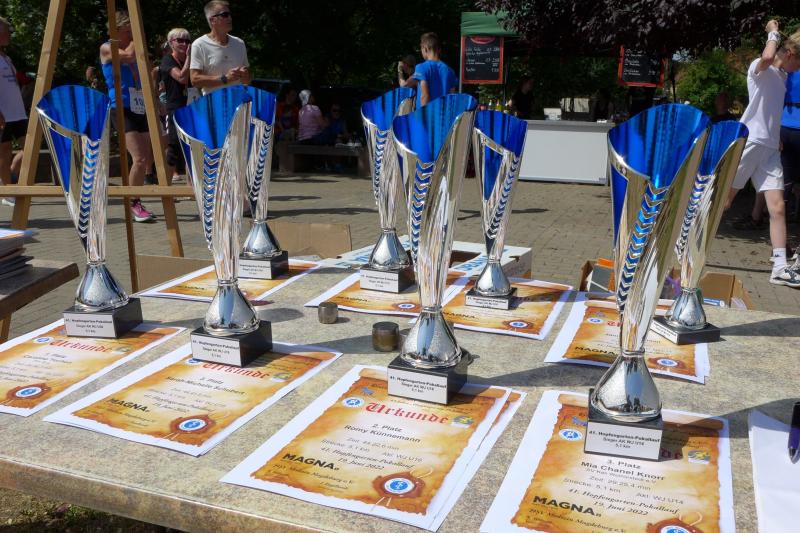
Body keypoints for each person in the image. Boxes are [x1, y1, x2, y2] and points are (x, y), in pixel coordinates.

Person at [725, 20, 800, 288]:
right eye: (799, 62)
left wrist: (776, 135)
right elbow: (768, 56)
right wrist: (773, 32)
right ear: (790, 54)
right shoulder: (760, 67)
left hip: (769, 148)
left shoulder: (782, 78)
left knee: (777, 207)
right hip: (750, 143)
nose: (799, 69)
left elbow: (771, 111)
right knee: (724, 202)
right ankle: (684, 239)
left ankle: (779, 268)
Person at [100, 10, 156, 222]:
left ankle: (137, 199)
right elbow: (129, 56)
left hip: (138, 104)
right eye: (129, 30)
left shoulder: (134, 47)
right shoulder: (107, 48)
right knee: (139, 157)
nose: (132, 34)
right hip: (121, 107)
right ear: (117, 30)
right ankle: (133, 203)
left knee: (146, 157)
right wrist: (137, 39)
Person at [190, 0, 250, 95]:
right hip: (213, 102)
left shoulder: (239, 43)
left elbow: (247, 79)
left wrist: (245, 75)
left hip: (238, 100)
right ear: (212, 20)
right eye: (225, 15)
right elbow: (195, 80)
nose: (230, 18)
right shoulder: (199, 45)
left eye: (229, 14)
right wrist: (225, 78)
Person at [160, 28, 192, 183]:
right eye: (180, 40)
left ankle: (191, 188)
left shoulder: (192, 61)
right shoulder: (168, 60)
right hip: (175, 108)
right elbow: (181, 78)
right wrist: (189, 58)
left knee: (192, 148)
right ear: (171, 43)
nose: (184, 44)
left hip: (191, 106)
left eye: (187, 41)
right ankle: (166, 187)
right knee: (173, 148)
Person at [0, 16, 24, 206]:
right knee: (4, 152)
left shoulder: (6, 57)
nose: (10, 34)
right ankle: (8, 193)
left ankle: (8, 178)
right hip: (3, 114)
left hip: (18, 113)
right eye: (7, 31)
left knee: (29, 149)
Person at [400, 32, 457, 108]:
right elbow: (452, 98)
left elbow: (425, 95)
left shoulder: (421, 67)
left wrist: (423, 114)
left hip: (426, 113)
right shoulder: (450, 71)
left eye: (421, 49)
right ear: (438, 49)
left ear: (425, 49)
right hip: (443, 113)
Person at [781, 71, 800, 225]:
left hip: (785, 127)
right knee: (785, 181)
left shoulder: (788, 70)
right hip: (785, 128)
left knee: (786, 180)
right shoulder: (788, 70)